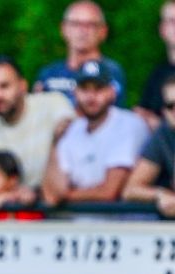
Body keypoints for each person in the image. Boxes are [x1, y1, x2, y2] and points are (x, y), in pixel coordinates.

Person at [0, 56, 75, 199]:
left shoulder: (53, 105)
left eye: (4, 86)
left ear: (23, 86)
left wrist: (33, 194)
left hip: (60, 213)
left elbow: (79, 162)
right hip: (10, 218)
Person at [42, 61, 148, 204]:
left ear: (112, 91)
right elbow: (51, 195)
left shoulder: (128, 124)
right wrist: (54, 143)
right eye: (84, 89)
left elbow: (109, 192)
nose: (91, 96)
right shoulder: (71, 129)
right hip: (77, 222)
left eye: (98, 89)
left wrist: (66, 196)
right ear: (75, 93)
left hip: (122, 223)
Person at [34, 0, 126, 106]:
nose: (83, 31)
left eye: (90, 25)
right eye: (75, 24)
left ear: (103, 31)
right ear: (63, 28)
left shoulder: (111, 73)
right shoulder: (49, 74)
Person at [124, 74, 175, 216]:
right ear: (164, 111)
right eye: (171, 106)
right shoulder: (165, 134)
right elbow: (130, 190)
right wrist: (160, 194)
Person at [136, 1, 175, 131]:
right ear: (162, 29)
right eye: (172, 21)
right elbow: (141, 112)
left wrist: (160, 125)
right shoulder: (157, 74)